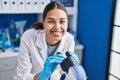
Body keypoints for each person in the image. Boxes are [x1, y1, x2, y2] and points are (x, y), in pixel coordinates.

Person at [13, 1, 81, 80]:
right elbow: (21, 77)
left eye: (62, 21)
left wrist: (73, 70)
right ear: (44, 23)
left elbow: (65, 75)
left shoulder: (69, 39)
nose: (57, 27)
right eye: (51, 21)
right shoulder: (29, 37)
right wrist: (42, 75)